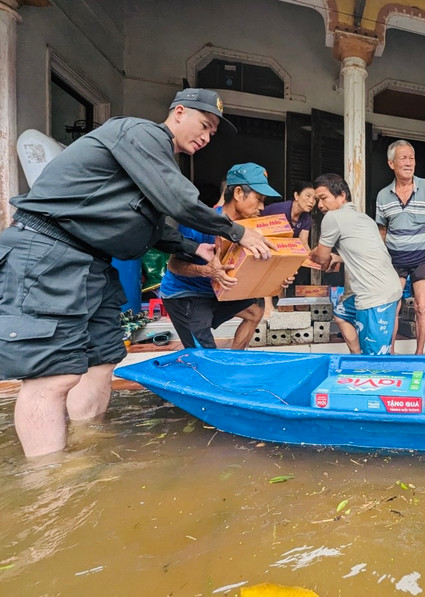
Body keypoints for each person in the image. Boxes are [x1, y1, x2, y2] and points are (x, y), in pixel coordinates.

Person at [0, 88, 274, 458]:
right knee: (52, 375)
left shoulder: (153, 164)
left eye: (212, 133)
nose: (207, 137)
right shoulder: (141, 134)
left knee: (102, 361)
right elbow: (178, 201)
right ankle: (50, 482)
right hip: (51, 252)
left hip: (95, 264)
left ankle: (86, 447)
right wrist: (238, 232)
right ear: (178, 112)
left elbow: (155, 227)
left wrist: (194, 248)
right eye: (204, 125)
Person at [160, 163, 282, 350]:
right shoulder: (200, 222)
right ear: (239, 193)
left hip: (215, 291)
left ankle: (234, 360)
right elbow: (173, 265)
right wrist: (206, 271)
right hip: (185, 294)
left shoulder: (251, 229)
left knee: (255, 311)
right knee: (204, 355)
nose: (262, 207)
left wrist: (277, 277)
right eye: (259, 199)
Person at [310, 173, 402, 355]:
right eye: (317, 200)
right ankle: (356, 355)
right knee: (341, 312)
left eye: (323, 198)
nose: (320, 205)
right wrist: (339, 257)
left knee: (376, 361)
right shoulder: (365, 219)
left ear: (341, 195)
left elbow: (320, 258)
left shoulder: (333, 217)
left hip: (375, 297)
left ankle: (370, 367)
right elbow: (367, 252)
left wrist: (307, 252)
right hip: (387, 287)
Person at [376, 140, 425, 354]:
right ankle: (391, 352)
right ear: (391, 163)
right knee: (392, 307)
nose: (409, 163)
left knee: (421, 306)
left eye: (411, 158)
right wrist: (381, 261)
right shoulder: (383, 195)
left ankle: (420, 353)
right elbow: (382, 232)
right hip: (395, 258)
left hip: (423, 255)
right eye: (403, 158)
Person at [262, 180, 316, 252]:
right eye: (308, 196)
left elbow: (303, 243)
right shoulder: (281, 210)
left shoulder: (306, 218)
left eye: (315, 198)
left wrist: (310, 261)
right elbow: (275, 241)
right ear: (296, 196)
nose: (312, 201)